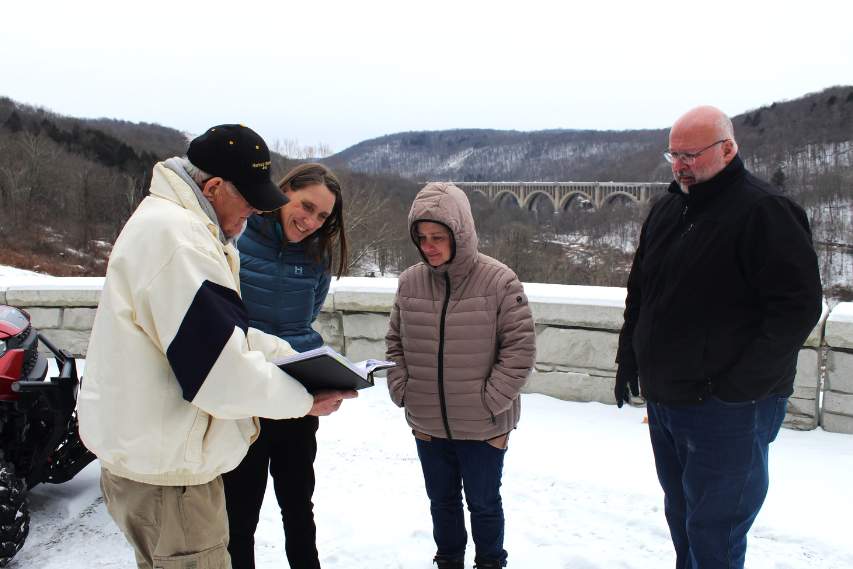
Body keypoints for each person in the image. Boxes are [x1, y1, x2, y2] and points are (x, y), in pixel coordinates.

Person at [77, 124, 355, 569]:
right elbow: (218, 372)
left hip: (157, 461)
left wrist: (287, 356)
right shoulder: (179, 241)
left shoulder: (170, 225)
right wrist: (304, 398)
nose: (252, 215)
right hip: (172, 478)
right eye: (248, 203)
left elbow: (225, 331)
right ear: (213, 187)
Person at [615, 106, 822, 569]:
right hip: (668, 401)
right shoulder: (669, 208)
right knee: (684, 517)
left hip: (727, 409)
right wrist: (629, 357)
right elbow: (641, 291)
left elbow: (797, 307)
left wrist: (737, 390)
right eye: (674, 154)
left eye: (691, 154)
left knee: (716, 531)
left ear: (728, 149)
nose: (680, 164)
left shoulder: (765, 212)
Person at [385, 182, 536, 569]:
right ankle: (448, 561)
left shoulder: (499, 281)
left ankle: (490, 563)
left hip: (484, 427)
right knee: (443, 502)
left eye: (438, 237)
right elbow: (395, 342)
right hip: (428, 423)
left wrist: (490, 402)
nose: (429, 245)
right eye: (422, 237)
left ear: (461, 233)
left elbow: (519, 350)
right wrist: (404, 390)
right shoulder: (409, 282)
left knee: (484, 505)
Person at [223, 163, 347, 569]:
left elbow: (304, 319)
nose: (311, 221)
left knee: (298, 507)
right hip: (247, 396)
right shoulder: (237, 238)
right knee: (239, 514)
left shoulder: (317, 255)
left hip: (297, 395)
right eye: (306, 206)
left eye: (322, 216)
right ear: (286, 191)